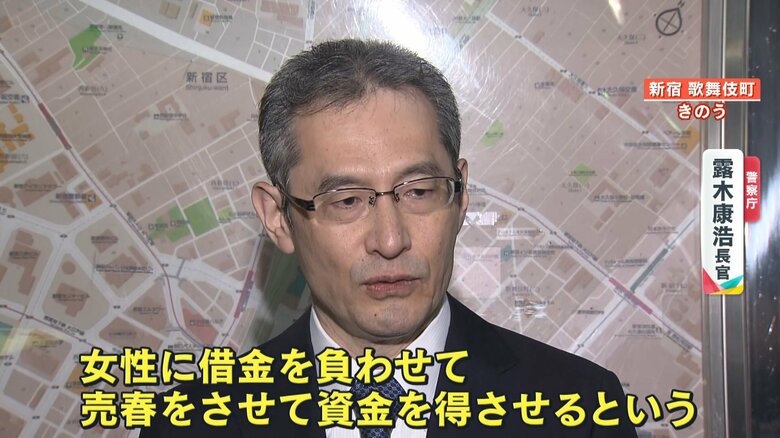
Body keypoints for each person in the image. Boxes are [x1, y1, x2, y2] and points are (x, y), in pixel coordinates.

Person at [143, 39, 637, 437]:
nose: (391, 239)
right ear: (278, 218)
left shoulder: (581, 410)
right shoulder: (187, 425)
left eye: (419, 191)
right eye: (346, 201)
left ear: (460, 195)